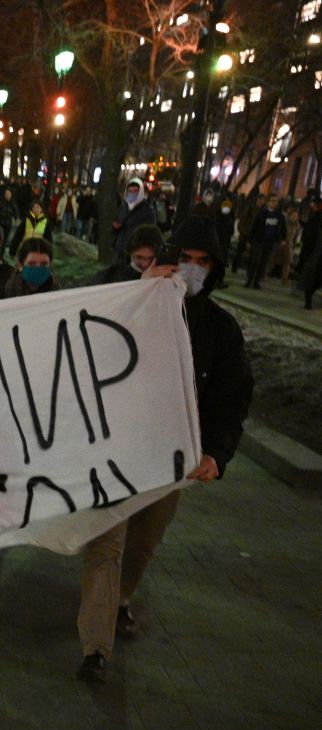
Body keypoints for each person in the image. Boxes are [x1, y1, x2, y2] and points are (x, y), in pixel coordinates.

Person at [75, 215, 253, 683]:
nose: (192, 270)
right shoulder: (133, 302)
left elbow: (232, 397)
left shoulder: (220, 330)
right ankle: (95, 646)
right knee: (106, 543)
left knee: (143, 544)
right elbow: (81, 325)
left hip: (171, 460)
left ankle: (120, 602)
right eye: (185, 260)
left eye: (203, 263)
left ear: (214, 269)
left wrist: (217, 453)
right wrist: (137, 288)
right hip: (116, 449)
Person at [83, 224, 165, 285]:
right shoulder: (111, 275)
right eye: (139, 257)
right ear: (131, 253)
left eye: (150, 258)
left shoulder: (166, 276)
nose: (145, 264)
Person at [245, 197, 287, 289]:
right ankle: (249, 279)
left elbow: (283, 228)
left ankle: (257, 281)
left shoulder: (279, 216)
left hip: (270, 243)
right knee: (255, 261)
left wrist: (282, 239)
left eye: (276, 201)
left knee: (263, 263)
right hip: (258, 241)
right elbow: (254, 227)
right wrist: (249, 240)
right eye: (272, 201)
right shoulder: (261, 214)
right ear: (268, 203)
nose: (274, 203)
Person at [111, 178, 156, 260]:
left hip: (135, 254)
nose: (132, 194)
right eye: (130, 191)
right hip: (120, 252)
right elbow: (115, 228)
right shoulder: (123, 208)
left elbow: (150, 233)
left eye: (135, 191)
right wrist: (115, 227)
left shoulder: (147, 211)